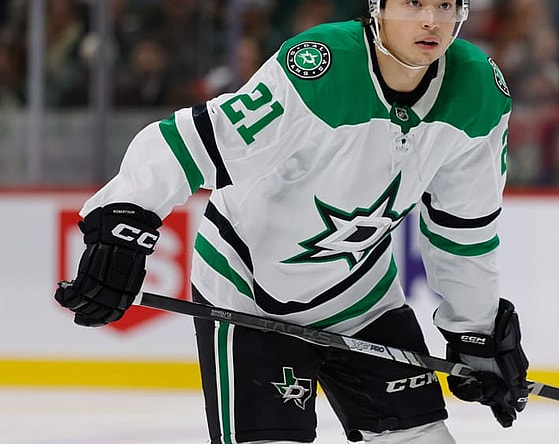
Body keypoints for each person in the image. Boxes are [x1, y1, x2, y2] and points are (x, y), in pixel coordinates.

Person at [54, 1, 531, 443]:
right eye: (413, 2)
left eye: (446, 5)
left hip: (362, 299)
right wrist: (123, 225)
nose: (431, 20)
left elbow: (464, 229)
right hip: (248, 294)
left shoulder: (478, 92)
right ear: (378, 7)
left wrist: (476, 331)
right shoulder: (322, 68)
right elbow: (190, 142)